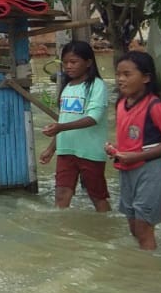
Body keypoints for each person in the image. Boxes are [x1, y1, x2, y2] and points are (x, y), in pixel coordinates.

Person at [104, 51, 161, 251]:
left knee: (143, 228)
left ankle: (150, 272)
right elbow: (129, 136)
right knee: (133, 225)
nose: (121, 79)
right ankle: (144, 265)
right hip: (126, 169)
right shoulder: (121, 103)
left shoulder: (155, 105)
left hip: (150, 170)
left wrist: (137, 156)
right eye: (118, 74)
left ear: (146, 78)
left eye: (127, 74)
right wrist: (114, 149)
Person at [38, 40, 110, 211]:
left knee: (97, 197)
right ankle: (61, 234)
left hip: (90, 152)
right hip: (65, 151)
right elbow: (63, 120)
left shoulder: (97, 86)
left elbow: (94, 118)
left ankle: (107, 232)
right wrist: (51, 148)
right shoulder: (67, 87)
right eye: (65, 63)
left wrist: (60, 127)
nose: (68, 67)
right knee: (61, 195)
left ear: (88, 62)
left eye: (73, 62)